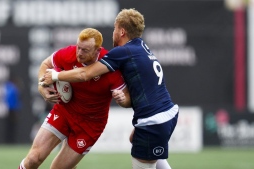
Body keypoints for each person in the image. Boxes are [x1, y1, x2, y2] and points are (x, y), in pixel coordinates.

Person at [40, 8, 179, 169]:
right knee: (140, 145)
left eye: (114, 29)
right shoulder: (141, 46)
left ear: (121, 31)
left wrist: (56, 76)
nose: (112, 33)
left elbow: (85, 74)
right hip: (167, 114)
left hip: (153, 120)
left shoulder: (123, 52)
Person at [18, 28, 131, 169]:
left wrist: (122, 99)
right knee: (33, 159)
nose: (79, 53)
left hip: (90, 125)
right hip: (64, 112)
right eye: (78, 47)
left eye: (85, 50)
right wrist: (41, 86)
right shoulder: (68, 53)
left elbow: (127, 100)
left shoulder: (110, 65)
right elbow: (46, 64)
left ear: (97, 50)